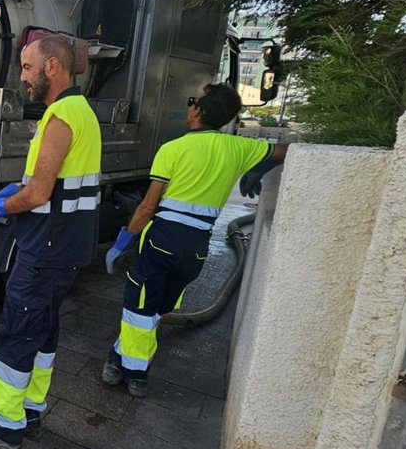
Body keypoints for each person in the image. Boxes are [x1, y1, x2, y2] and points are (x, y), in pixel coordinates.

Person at [0, 34, 101, 449]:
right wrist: (6, 192)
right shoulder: (80, 111)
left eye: (27, 67)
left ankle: (3, 426)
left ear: (52, 66)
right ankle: (31, 411)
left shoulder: (61, 117)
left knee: (18, 333)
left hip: (44, 248)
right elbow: (47, 182)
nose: (22, 77)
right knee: (43, 330)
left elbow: (38, 194)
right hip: (64, 247)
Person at [103, 83, 287, 396]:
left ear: (198, 110)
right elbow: (286, 150)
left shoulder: (173, 149)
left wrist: (122, 241)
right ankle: (118, 359)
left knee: (139, 308)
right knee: (155, 309)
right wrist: (260, 168)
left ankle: (135, 374)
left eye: (192, 101)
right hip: (197, 247)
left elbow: (147, 206)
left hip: (162, 239)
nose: (189, 105)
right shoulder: (239, 148)